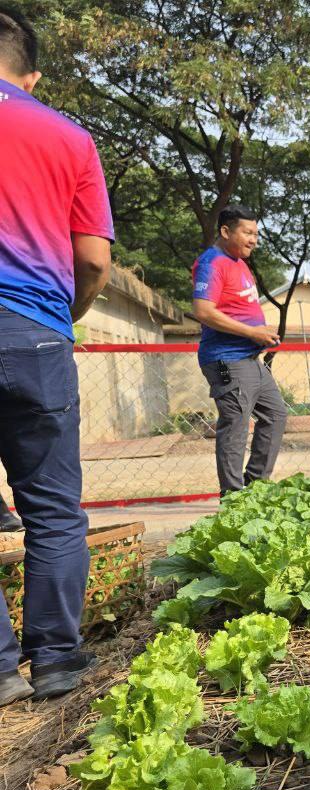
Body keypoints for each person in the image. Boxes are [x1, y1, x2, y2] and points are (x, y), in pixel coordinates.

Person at [0, 5, 113, 705]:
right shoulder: (68, 137)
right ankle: (56, 660)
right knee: (50, 507)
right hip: (37, 333)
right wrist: (58, 316)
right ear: (31, 75)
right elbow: (94, 261)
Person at [192, 206, 287, 497]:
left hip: (250, 360)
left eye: (256, 234)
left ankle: (255, 488)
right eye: (247, 232)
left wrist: (261, 330)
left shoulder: (239, 263)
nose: (253, 239)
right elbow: (203, 311)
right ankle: (233, 498)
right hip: (226, 360)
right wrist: (253, 332)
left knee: (276, 415)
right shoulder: (212, 263)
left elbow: (238, 309)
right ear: (225, 231)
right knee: (235, 425)